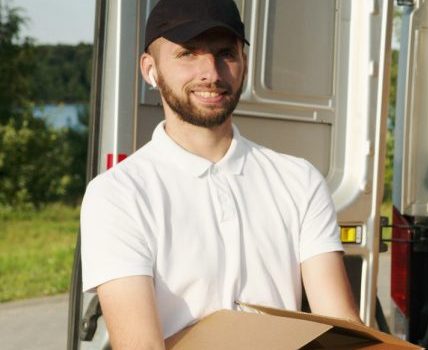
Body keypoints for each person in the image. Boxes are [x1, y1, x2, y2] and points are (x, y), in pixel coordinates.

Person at [79, 0, 360, 348]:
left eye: (225, 53)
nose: (211, 73)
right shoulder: (118, 194)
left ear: (244, 62)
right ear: (150, 69)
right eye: (188, 54)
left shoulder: (300, 180)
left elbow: (341, 327)